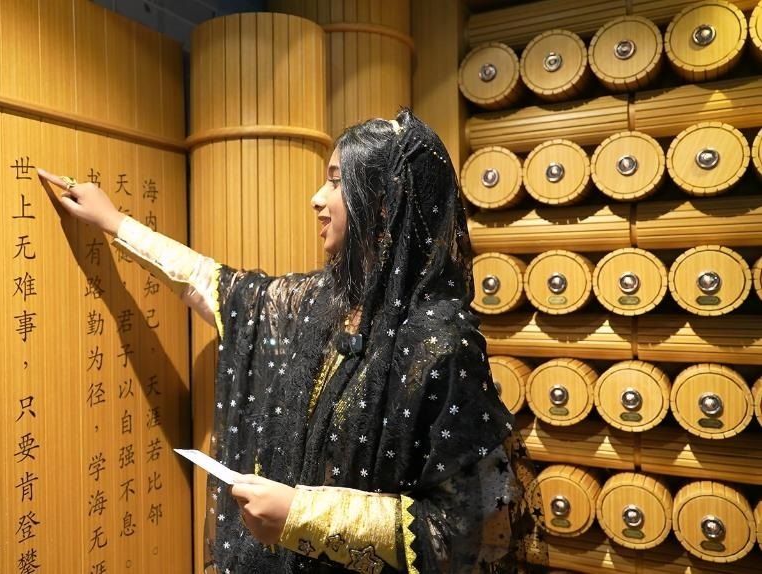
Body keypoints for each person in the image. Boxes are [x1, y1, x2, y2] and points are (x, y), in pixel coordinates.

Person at [39, 108, 527, 573]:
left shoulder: (441, 341)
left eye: (336, 182)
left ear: (384, 202)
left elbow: (468, 528)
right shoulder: (326, 300)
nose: (316, 197)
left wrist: (302, 514)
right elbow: (224, 291)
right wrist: (115, 223)